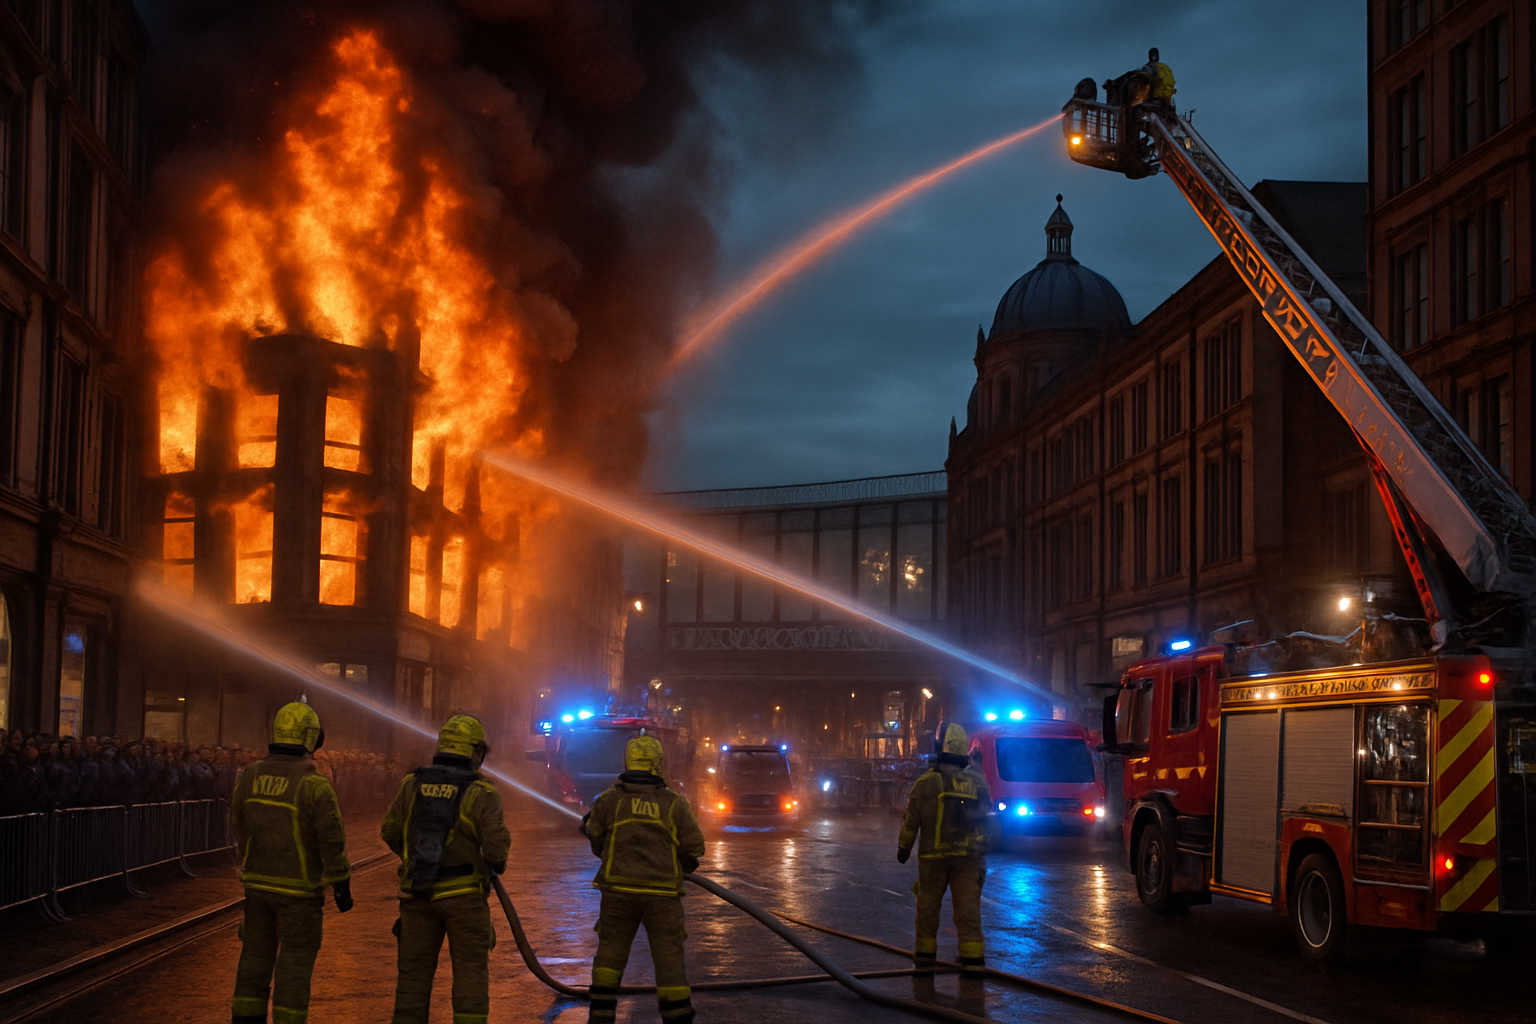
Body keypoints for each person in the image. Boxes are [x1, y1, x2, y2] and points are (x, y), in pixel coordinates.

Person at [381, 714, 511, 1024]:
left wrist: (415, 859)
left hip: (417, 896)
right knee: (469, 974)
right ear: (475, 752)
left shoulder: (411, 785)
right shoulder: (482, 794)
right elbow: (496, 852)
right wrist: (491, 862)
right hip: (465, 899)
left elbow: (389, 832)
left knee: (412, 977)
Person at [230, 702, 352, 1024]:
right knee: (294, 966)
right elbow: (332, 840)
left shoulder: (249, 776)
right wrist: (340, 882)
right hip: (299, 895)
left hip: (256, 889)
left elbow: (239, 825)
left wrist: (248, 865)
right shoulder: (314, 785)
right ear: (312, 738)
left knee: (253, 961)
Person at [581, 736, 705, 1024]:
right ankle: (677, 1018)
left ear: (627, 763)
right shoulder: (673, 804)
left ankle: (600, 1016)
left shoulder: (609, 800)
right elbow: (695, 847)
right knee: (669, 959)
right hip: (662, 896)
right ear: (658, 765)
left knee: (609, 954)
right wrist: (677, 863)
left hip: (617, 892)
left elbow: (594, 835)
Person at [897, 721, 999, 977]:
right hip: (968, 860)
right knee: (968, 913)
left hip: (933, 859)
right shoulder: (978, 783)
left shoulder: (926, 784)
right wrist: (986, 846)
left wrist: (903, 848)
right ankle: (973, 964)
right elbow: (988, 818)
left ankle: (924, 961)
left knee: (928, 910)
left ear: (939, 748)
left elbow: (912, 820)